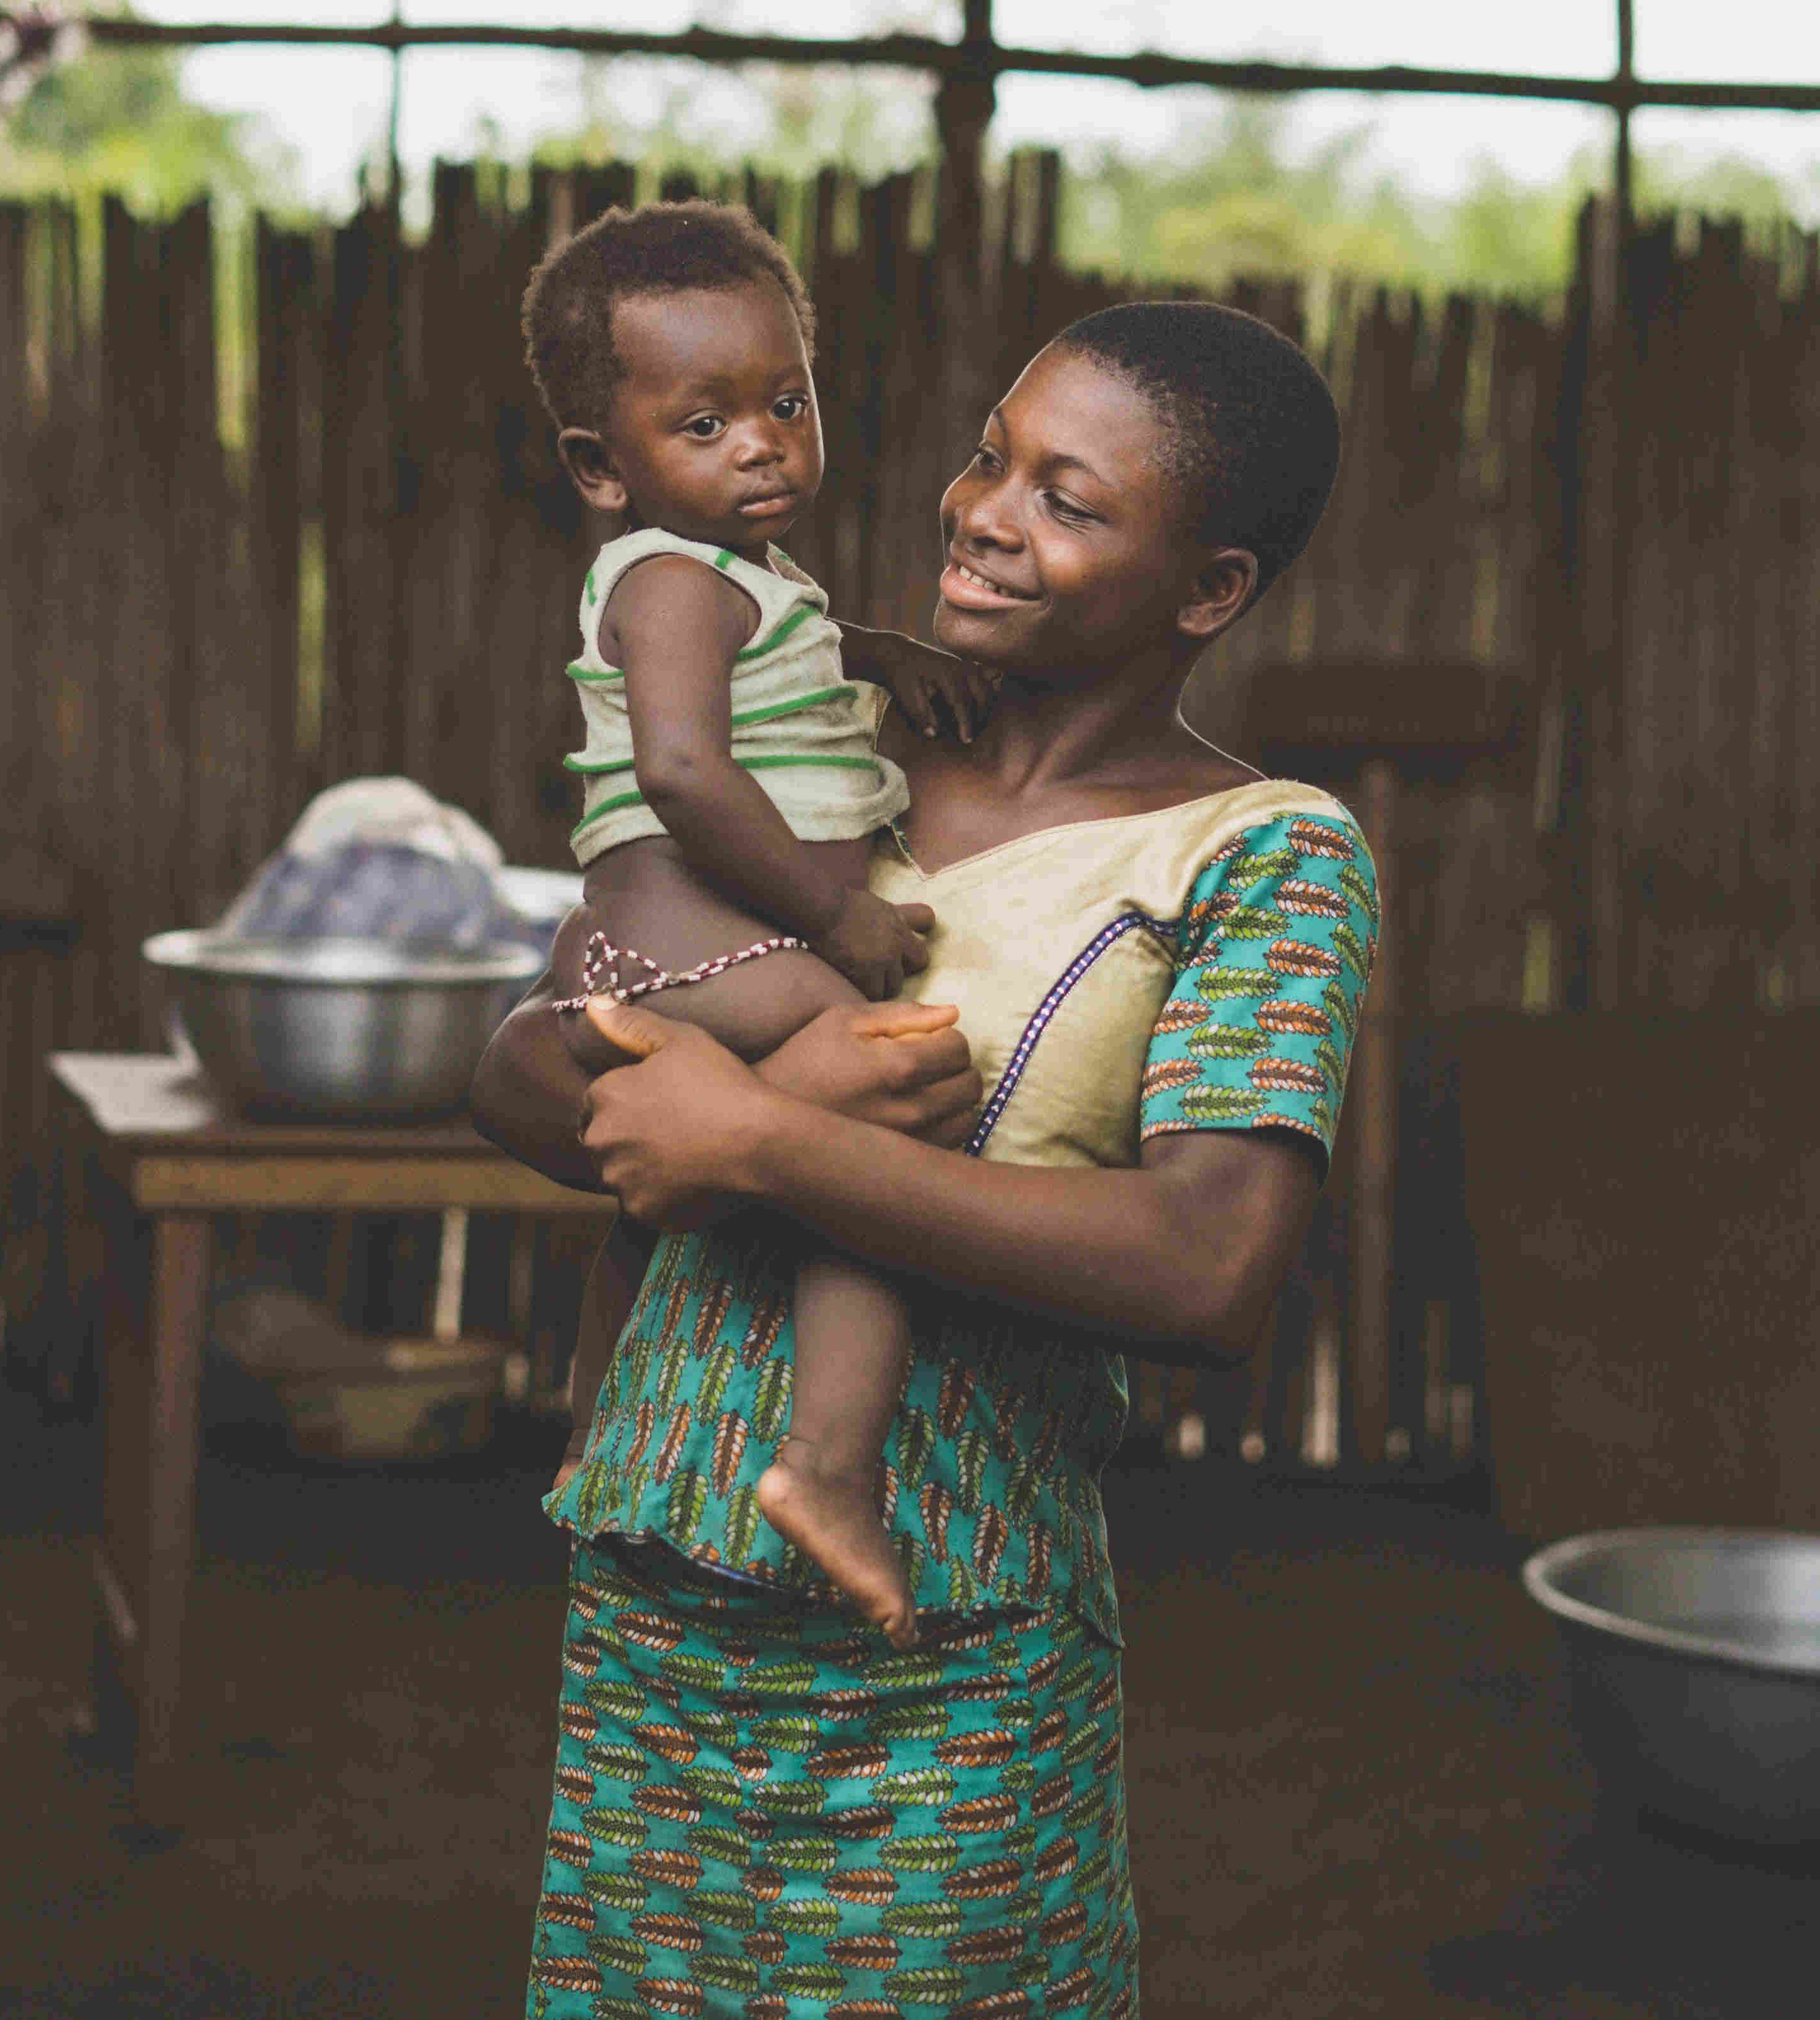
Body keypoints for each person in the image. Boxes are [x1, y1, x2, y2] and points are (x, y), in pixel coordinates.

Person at [472, 298, 1377, 2018]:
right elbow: (527, 1056)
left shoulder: (1259, 855)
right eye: (988, 454)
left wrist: (754, 1132)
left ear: (1207, 589)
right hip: (654, 1562)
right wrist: (643, 1064)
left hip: (948, 1617)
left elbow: (1208, 1267)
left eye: (1068, 497)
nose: (981, 508)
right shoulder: (821, 758)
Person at [518, 199, 996, 1649]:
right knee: (874, 1136)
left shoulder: (741, 581)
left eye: (785, 402)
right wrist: (834, 916)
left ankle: (601, 1430)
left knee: (665, 1194)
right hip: (713, 955)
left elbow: (774, 662)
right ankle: (832, 1471)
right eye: (705, 424)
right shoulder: (670, 581)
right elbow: (681, 769)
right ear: (604, 467)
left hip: (668, 966)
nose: (765, 444)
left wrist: (877, 654)